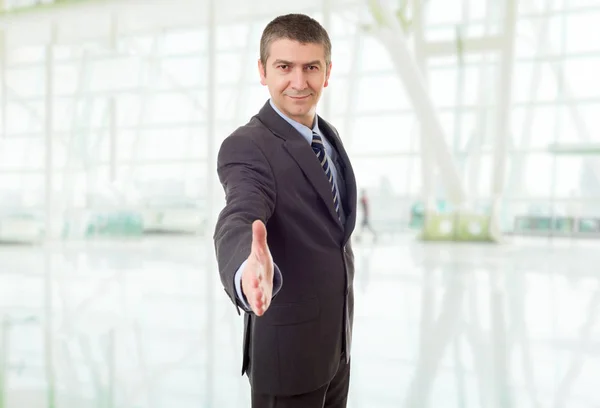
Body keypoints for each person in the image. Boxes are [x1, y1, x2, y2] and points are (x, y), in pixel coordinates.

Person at [213, 13, 357, 408]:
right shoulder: (247, 146)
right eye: (284, 67)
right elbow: (240, 214)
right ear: (262, 71)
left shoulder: (327, 135)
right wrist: (246, 270)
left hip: (335, 348)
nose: (299, 81)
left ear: (327, 73)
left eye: (311, 67)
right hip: (288, 354)